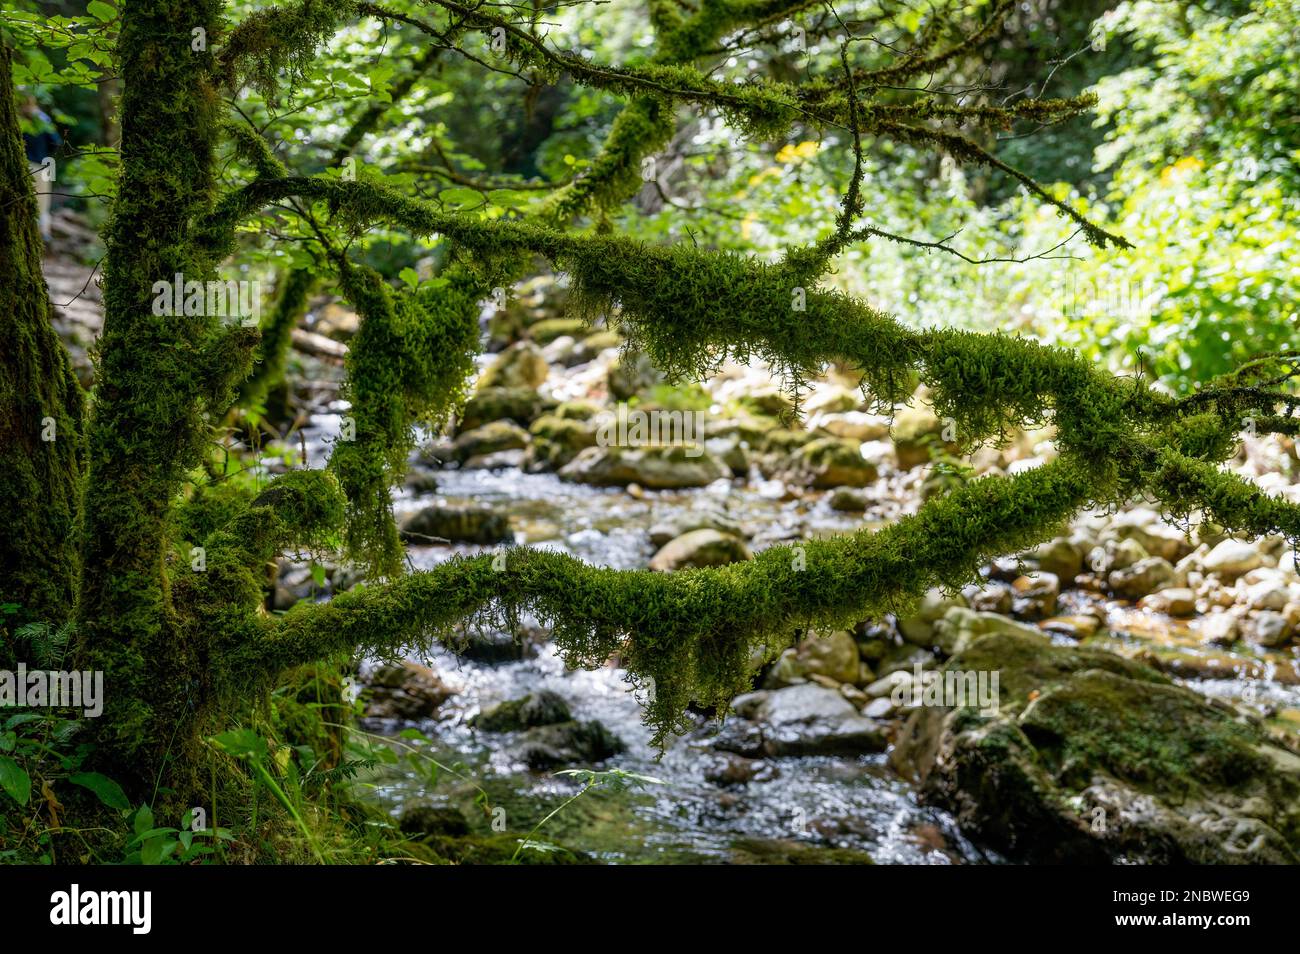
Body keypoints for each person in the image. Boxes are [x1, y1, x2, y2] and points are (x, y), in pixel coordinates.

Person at [21, 95, 60, 242]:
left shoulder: (16, 119)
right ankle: (43, 233)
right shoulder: (43, 118)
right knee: (42, 204)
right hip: (42, 165)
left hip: (23, 166)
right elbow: (55, 142)